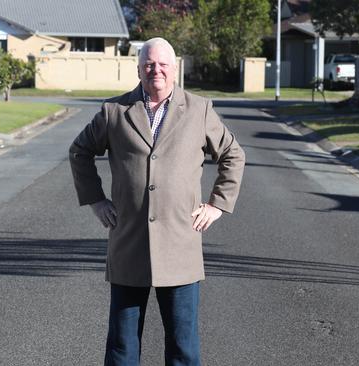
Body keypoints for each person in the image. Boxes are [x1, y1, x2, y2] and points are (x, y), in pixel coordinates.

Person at [69, 37, 245, 366]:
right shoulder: (114, 112)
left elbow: (233, 155)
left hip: (180, 247)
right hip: (128, 245)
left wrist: (217, 204)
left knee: (183, 346)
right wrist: (95, 200)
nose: (156, 70)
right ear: (138, 69)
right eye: (149, 64)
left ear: (175, 69)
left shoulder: (199, 110)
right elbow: (80, 152)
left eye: (163, 64)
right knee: (122, 347)